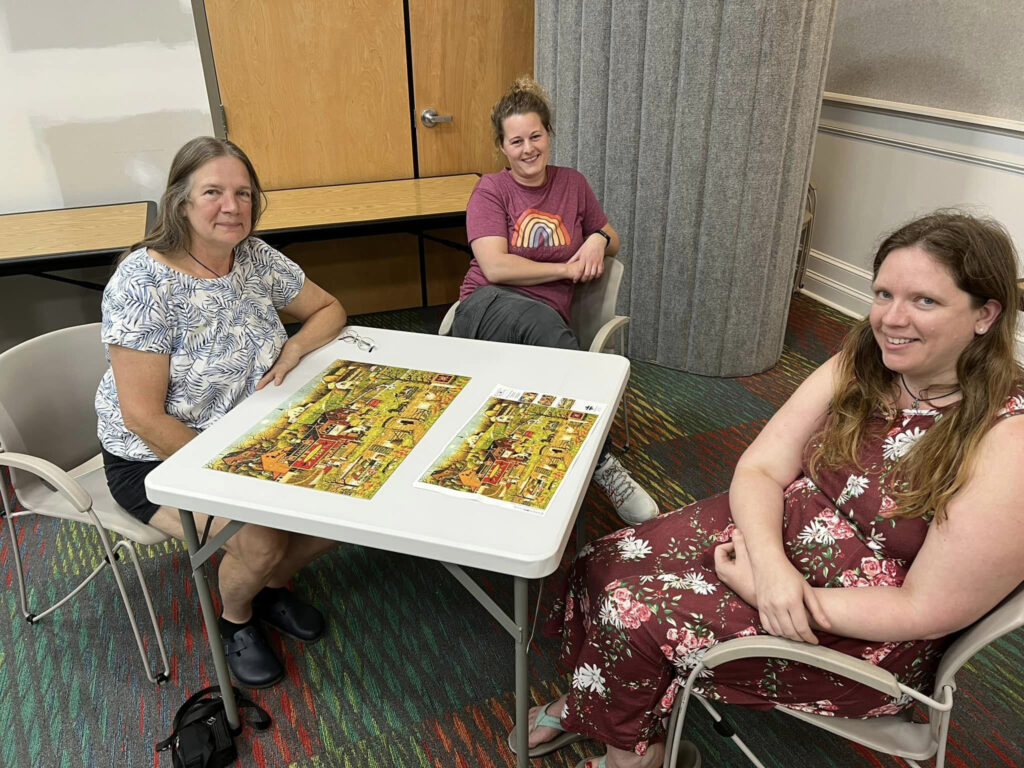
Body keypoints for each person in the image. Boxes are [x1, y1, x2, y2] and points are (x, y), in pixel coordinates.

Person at [509, 211, 1024, 768]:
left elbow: (927, 607)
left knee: (632, 611)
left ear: (985, 314)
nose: (891, 319)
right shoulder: (869, 360)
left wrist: (771, 594)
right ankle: (605, 697)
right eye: (882, 294)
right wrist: (771, 565)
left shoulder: (1007, 439)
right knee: (602, 559)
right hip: (780, 539)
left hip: (859, 628)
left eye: (925, 300)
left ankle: (633, 755)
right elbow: (760, 468)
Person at [96, 137, 347, 688]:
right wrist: (225, 476)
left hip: (254, 432)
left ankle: (269, 585)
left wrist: (295, 347)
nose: (232, 206)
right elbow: (141, 416)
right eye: (213, 192)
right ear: (181, 202)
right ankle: (236, 617)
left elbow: (329, 309)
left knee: (349, 502)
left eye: (243, 193)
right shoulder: (145, 281)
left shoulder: (252, 256)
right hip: (155, 457)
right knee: (258, 537)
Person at [452, 76, 658, 525]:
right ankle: (603, 465)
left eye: (536, 136)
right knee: (554, 344)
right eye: (516, 140)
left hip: (545, 315)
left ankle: (542, 468)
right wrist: (567, 268)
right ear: (502, 147)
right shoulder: (491, 190)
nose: (528, 148)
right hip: (487, 304)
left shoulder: (573, 184)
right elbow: (497, 268)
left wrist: (598, 240)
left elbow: (613, 236)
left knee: (546, 343)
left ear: (549, 135)